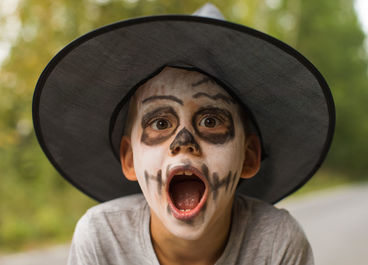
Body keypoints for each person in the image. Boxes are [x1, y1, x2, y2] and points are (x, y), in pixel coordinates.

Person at [32, 3, 335, 265]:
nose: (184, 143)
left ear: (248, 156)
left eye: (210, 121)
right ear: (129, 158)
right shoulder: (102, 238)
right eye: (160, 124)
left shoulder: (277, 243)